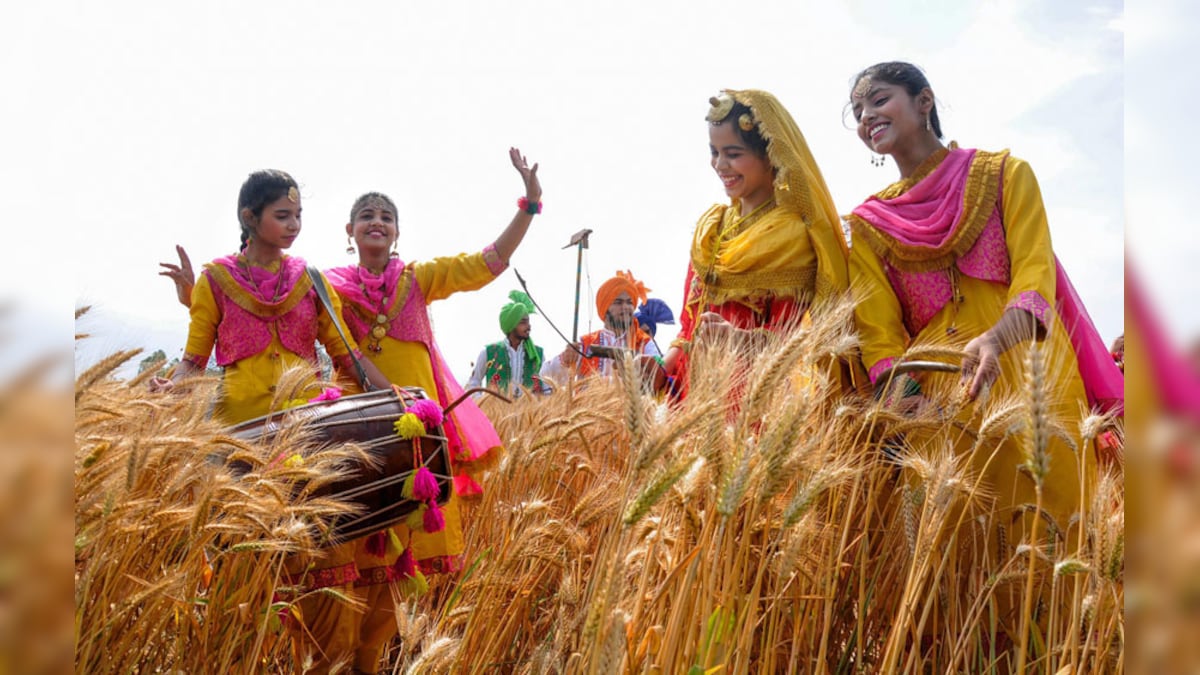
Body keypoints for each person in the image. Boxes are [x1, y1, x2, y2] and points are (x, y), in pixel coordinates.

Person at [846, 61, 1124, 640]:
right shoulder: (869, 226)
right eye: (858, 111)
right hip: (943, 406)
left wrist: (998, 337)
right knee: (961, 561)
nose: (867, 115)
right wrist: (907, 398)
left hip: (1030, 374)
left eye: (879, 99)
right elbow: (877, 329)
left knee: (1053, 538)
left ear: (925, 101)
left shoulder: (1004, 174)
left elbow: (1034, 274)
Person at [301, 147, 542, 673]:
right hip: (360, 435)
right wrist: (194, 300)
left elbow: (486, 265)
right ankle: (333, 662)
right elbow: (273, 306)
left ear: (397, 232)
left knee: (398, 560)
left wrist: (528, 205)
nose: (376, 222)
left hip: (415, 440)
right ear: (350, 229)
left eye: (386, 216)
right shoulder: (328, 288)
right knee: (352, 559)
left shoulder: (417, 279)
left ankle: (371, 662)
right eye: (367, 215)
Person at [149, 169, 389, 422]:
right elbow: (193, 361)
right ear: (250, 217)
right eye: (282, 216)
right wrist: (171, 388)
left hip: (307, 426)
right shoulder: (217, 280)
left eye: (298, 215)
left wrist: (396, 395)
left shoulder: (311, 281)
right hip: (241, 432)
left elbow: (348, 355)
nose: (294, 225)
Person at [660, 90, 850, 399]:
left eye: (733, 154)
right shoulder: (712, 230)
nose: (720, 164)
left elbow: (796, 341)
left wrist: (736, 339)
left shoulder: (792, 237)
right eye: (714, 152)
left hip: (758, 405)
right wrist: (659, 367)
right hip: (693, 402)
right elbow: (688, 329)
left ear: (771, 156)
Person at [540, 271, 659, 383]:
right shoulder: (586, 343)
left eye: (629, 302)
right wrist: (566, 359)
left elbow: (660, 373)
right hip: (589, 404)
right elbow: (546, 375)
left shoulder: (645, 342)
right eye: (618, 302)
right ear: (605, 308)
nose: (626, 307)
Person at [468, 290, 551, 398]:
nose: (529, 326)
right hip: (495, 414)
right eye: (523, 322)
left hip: (529, 414)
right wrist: (483, 405)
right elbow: (474, 382)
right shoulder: (489, 352)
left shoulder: (538, 354)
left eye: (528, 322)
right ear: (512, 325)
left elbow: (547, 390)